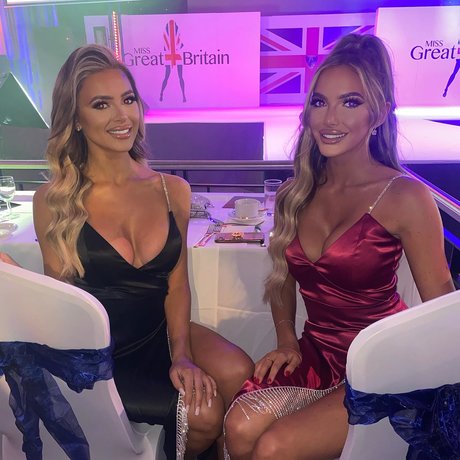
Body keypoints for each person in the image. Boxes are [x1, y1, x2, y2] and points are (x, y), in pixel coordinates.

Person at [5, 44, 253, 460]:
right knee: (205, 415)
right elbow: (62, 301)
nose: (122, 116)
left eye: (128, 99)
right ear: (76, 119)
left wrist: (182, 355)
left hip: (157, 330)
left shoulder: (172, 189)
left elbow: (177, 286)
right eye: (101, 104)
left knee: (239, 371)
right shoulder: (55, 200)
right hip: (101, 350)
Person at [224, 33, 455, 460]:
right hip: (318, 350)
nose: (330, 118)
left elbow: (440, 302)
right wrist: (286, 340)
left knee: (273, 447)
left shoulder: (404, 196)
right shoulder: (295, 193)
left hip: (383, 360)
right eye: (319, 102)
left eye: (350, 102)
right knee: (238, 428)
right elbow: (281, 278)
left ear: (378, 113)